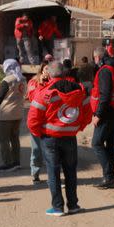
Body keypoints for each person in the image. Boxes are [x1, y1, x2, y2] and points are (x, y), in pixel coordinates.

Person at [27, 61, 91, 217]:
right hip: (69, 137)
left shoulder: (44, 92)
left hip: (50, 138)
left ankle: (57, 207)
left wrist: (39, 133)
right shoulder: (79, 89)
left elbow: (33, 119)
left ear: (49, 73)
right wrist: (77, 127)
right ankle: (73, 205)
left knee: (53, 172)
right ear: (65, 73)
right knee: (70, 172)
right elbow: (88, 113)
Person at [90, 44, 114, 189]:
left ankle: (109, 177)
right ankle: (110, 175)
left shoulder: (105, 70)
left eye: (94, 58)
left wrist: (98, 115)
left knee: (97, 143)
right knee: (111, 143)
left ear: (98, 57)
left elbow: (105, 95)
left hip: (108, 111)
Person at [0, 59, 27, 172]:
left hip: (6, 114)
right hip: (18, 113)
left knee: (3, 139)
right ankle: (16, 162)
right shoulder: (22, 79)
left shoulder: (6, 80)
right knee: (14, 138)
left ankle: (8, 163)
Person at [27, 61, 49, 184]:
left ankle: (52, 174)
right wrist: (41, 83)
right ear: (41, 69)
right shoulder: (33, 82)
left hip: (50, 121)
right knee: (36, 149)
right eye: (46, 68)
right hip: (36, 120)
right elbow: (33, 98)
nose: (48, 72)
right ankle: (35, 174)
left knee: (50, 150)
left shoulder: (54, 81)